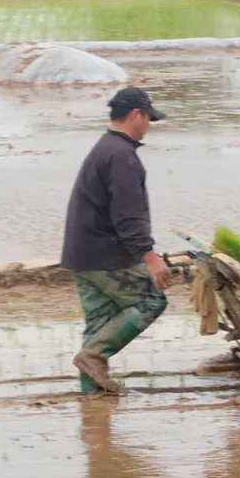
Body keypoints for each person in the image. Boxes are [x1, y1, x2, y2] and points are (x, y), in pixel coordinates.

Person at [62, 86, 173, 396]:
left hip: (82, 255)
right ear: (136, 114)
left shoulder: (105, 148)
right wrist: (150, 258)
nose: (149, 125)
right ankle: (93, 357)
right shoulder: (122, 156)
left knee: (100, 321)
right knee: (152, 299)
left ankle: (93, 395)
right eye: (148, 118)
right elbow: (128, 216)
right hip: (104, 255)